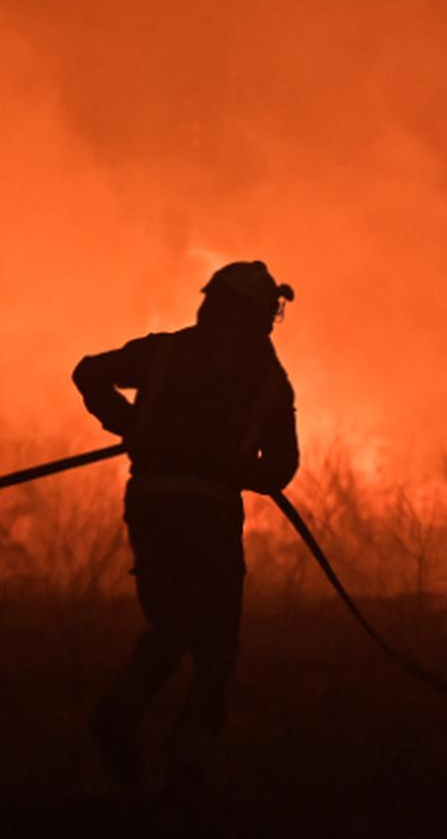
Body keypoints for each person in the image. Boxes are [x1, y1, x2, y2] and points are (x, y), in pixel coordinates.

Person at [74, 260, 299, 792]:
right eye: (267, 313)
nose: (269, 323)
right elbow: (281, 468)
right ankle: (184, 764)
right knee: (215, 644)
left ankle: (125, 722)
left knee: (173, 624)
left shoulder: (166, 353)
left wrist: (131, 426)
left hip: (151, 508)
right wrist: (237, 469)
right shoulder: (266, 379)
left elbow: (89, 372)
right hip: (209, 518)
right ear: (250, 314)